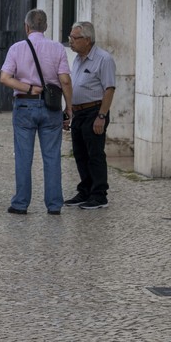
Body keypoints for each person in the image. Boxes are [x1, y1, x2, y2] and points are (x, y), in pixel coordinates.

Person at [0, 8, 73, 215]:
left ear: (27, 27)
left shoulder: (16, 48)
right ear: (46, 26)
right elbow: (65, 80)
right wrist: (69, 108)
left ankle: (21, 203)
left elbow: (4, 78)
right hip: (51, 107)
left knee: (23, 156)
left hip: (24, 105)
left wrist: (28, 88)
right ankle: (54, 204)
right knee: (52, 157)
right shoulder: (57, 48)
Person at [65, 21, 115, 210]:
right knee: (79, 153)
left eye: (74, 38)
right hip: (78, 112)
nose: (71, 41)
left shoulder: (104, 59)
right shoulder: (78, 58)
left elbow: (109, 89)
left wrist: (101, 116)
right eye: (70, 37)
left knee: (95, 154)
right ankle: (85, 190)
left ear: (87, 40)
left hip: (94, 111)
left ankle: (99, 194)